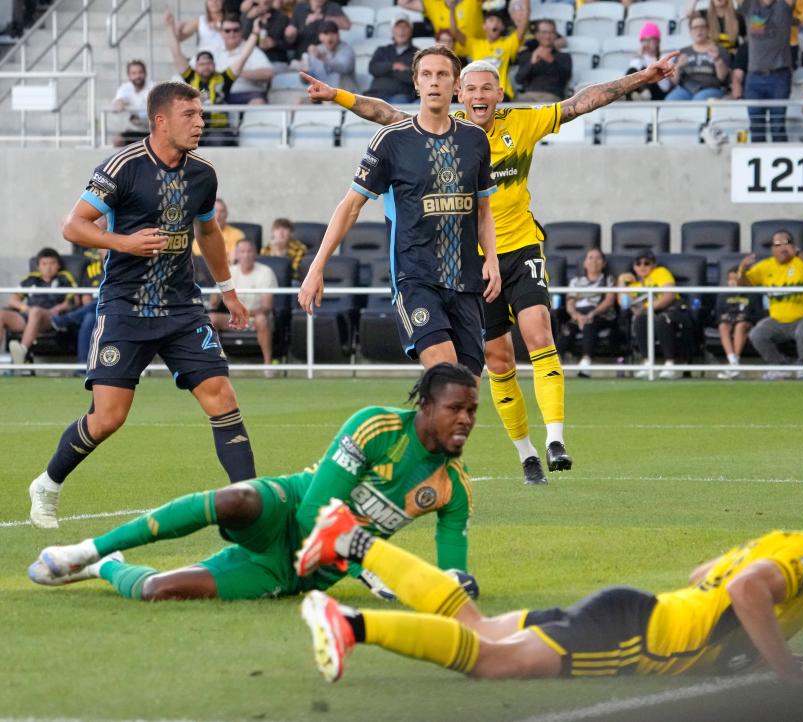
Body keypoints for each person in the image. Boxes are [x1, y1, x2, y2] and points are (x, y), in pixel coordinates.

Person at [300, 50, 677, 485]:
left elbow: (581, 103)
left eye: (478, 85)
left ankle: (550, 438)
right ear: (453, 91)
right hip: (430, 273)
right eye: (434, 77)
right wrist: (337, 97)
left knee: (495, 364)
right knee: (467, 372)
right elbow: (377, 124)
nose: (472, 93)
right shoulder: (408, 135)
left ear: (498, 93)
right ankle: (456, 460)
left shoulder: (493, 134)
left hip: (495, 262)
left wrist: (641, 78)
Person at [296, 483, 803, 683]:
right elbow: (746, 591)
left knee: (478, 629)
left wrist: (755, 647)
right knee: (490, 661)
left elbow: (707, 576)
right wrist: (786, 669)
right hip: (638, 636)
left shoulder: (791, 545)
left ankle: (352, 538)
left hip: (636, 617)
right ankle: (348, 624)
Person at [29, 364, 479, 603]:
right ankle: (86, 550)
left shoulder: (453, 487)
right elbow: (311, 515)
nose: (464, 420)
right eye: (454, 408)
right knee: (237, 498)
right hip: (287, 509)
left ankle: (104, 567)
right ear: (425, 405)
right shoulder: (377, 427)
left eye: (471, 411)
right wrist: (369, 563)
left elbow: (452, 572)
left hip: (295, 571)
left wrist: (453, 585)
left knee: (158, 591)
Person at [25, 82, 256, 530]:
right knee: (109, 417)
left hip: (182, 308)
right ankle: (48, 484)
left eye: (202, 115)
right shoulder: (122, 167)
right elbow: (73, 225)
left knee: (222, 398)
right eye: (190, 115)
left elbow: (207, 234)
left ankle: (248, 507)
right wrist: (123, 242)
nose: (200, 123)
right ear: (161, 121)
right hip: (126, 307)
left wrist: (227, 291)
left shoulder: (203, 174)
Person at [298, 46, 501, 385]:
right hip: (415, 280)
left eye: (442, 75)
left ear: (455, 86)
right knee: (448, 379)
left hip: (465, 283)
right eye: (426, 75)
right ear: (416, 84)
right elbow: (350, 206)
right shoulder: (391, 141)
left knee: (465, 395)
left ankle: (416, 435)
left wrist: (490, 259)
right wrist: (316, 268)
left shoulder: (476, 140)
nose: (434, 82)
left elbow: (483, 210)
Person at [737, 229, 803, 379]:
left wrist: (797, 253)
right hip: (777, 320)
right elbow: (743, 286)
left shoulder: (801, 261)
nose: (782, 248)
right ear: (772, 249)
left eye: (786, 243)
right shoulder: (765, 266)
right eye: (778, 244)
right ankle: (779, 366)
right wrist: (743, 270)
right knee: (757, 334)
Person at [165, 10, 261, 146]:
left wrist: (255, 33)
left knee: (217, 141)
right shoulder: (191, 78)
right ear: (196, 67)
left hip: (219, 131)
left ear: (214, 65)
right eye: (202, 64)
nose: (205, 66)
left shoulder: (224, 78)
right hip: (195, 129)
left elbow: (243, 57)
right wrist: (169, 27)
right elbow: (176, 53)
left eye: (208, 63)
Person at [617, 251, 695, 381]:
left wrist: (646, 307)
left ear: (654, 265)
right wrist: (620, 281)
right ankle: (648, 362)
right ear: (634, 267)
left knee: (662, 319)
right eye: (638, 263)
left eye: (647, 263)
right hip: (651, 314)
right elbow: (623, 303)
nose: (642, 266)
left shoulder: (660, 272)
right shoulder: (633, 284)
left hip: (673, 310)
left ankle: (670, 364)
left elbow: (669, 295)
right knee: (640, 319)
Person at [2, 248, 77, 367]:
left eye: (52, 263)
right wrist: (25, 308)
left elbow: (71, 302)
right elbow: (12, 300)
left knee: (36, 312)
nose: (48, 267)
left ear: (58, 265)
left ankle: (22, 351)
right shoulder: (31, 279)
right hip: (28, 315)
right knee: (2, 315)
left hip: (49, 317)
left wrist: (58, 308)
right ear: (38, 266)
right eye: (44, 264)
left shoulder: (64, 278)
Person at [209, 238, 278, 365]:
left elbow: (266, 307)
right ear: (237, 254)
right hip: (234, 317)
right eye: (242, 251)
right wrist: (219, 276)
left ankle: (268, 365)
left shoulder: (266, 272)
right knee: (211, 319)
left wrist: (244, 313)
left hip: (256, 317)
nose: (246, 255)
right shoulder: (229, 271)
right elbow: (213, 302)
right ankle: (216, 363)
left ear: (255, 253)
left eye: (249, 251)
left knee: (261, 319)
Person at [738, 0, 795, 143]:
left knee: (778, 127)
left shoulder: (783, 6)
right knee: (756, 128)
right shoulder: (750, 5)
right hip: (754, 77)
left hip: (779, 76)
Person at [557, 248, 617, 380]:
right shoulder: (575, 281)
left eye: (598, 258)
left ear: (604, 263)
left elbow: (609, 301)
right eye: (590, 258)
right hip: (578, 314)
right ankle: (556, 363)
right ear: (584, 263)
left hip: (600, 313)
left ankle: (586, 361)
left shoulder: (608, 279)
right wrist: (576, 316)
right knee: (568, 329)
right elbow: (570, 303)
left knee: (589, 325)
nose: (594, 261)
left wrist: (592, 314)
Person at [450, 2, 529, 100]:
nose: (495, 23)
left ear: (502, 27)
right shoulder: (475, 45)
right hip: (479, 94)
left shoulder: (508, 44)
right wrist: (452, 9)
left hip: (502, 95)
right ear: (484, 26)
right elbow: (454, 32)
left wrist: (526, 4)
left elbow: (523, 27)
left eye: (498, 21)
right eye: (491, 20)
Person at [49, 247, 108, 374]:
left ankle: (67, 319)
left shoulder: (121, 268)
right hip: (95, 310)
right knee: (89, 318)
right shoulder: (92, 269)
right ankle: (83, 366)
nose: (104, 253)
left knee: (106, 299)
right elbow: (85, 298)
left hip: (115, 308)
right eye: (102, 250)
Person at [213, 12, 275, 104]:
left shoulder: (254, 51)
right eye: (227, 30)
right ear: (221, 33)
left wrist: (237, 73)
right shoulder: (213, 51)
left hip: (250, 95)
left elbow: (269, 74)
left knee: (258, 102)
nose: (232, 33)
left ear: (241, 31)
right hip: (220, 97)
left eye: (235, 30)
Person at [714, 266, 763, 379]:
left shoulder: (753, 294)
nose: (732, 282)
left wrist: (745, 316)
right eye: (730, 279)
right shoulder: (722, 295)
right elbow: (718, 314)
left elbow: (758, 315)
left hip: (746, 322)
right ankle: (733, 362)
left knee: (740, 326)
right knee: (722, 326)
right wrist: (724, 317)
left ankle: (734, 364)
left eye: (735, 279)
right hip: (729, 321)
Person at [666, 17, 731, 101]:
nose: (699, 30)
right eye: (695, 27)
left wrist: (717, 59)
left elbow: (722, 78)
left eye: (702, 27)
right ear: (690, 31)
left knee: (699, 100)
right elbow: (674, 81)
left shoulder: (719, 50)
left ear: (708, 29)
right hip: (686, 89)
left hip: (711, 88)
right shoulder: (683, 52)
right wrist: (678, 66)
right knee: (671, 99)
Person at [514, 19, 571, 104]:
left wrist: (551, 61)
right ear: (537, 35)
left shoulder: (564, 56)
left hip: (552, 96)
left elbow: (564, 79)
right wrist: (531, 63)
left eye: (551, 32)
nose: (547, 36)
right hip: (528, 96)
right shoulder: (528, 55)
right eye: (544, 32)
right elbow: (518, 79)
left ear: (556, 35)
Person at [401, 0, 484, 58]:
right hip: (448, 55)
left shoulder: (472, 1)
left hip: (477, 53)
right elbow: (403, 2)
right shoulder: (433, 4)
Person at [366, 14, 417, 102]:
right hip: (375, 94)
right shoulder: (382, 50)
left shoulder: (417, 54)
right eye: (398, 27)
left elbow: (414, 78)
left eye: (405, 27)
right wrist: (393, 66)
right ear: (392, 31)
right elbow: (372, 68)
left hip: (400, 97)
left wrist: (385, 71)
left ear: (411, 31)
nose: (401, 31)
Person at [297, 21, 357, 92]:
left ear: (338, 35)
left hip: (346, 96)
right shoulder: (316, 50)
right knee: (300, 101)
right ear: (320, 36)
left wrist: (323, 59)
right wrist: (304, 72)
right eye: (326, 33)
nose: (329, 37)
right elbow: (305, 82)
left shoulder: (347, 49)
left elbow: (344, 68)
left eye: (333, 33)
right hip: (324, 97)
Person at [111, 60, 155, 147]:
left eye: (140, 72)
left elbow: (158, 109)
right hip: (133, 130)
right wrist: (122, 102)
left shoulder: (153, 87)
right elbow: (117, 104)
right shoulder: (125, 88)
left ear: (145, 73)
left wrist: (140, 117)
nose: (137, 76)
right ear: (129, 75)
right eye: (134, 73)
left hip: (151, 131)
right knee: (117, 141)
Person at [242, 0, 295, 72]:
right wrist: (250, 18)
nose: (264, 1)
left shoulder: (282, 17)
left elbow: (290, 45)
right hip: (253, 61)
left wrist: (275, 43)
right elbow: (243, 39)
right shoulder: (248, 16)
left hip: (275, 60)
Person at [627, 23, 673, 101]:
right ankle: (632, 95)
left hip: (658, 92)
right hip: (641, 90)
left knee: (645, 70)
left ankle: (643, 94)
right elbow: (633, 70)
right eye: (644, 40)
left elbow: (665, 86)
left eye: (650, 40)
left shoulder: (663, 58)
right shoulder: (639, 58)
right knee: (632, 70)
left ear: (657, 42)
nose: (647, 43)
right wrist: (640, 55)